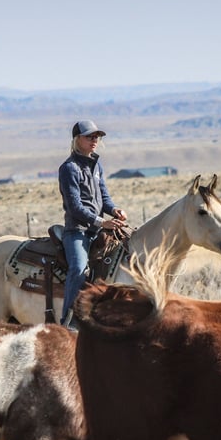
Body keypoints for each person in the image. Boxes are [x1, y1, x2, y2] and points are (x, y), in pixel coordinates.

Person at [58, 120, 127, 329]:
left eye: (96, 137)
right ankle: (69, 321)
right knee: (79, 268)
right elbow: (75, 207)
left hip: (98, 228)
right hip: (77, 230)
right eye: (89, 136)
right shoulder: (69, 168)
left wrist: (114, 210)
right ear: (77, 139)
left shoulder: (97, 165)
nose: (94, 140)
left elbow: (103, 197)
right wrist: (101, 222)